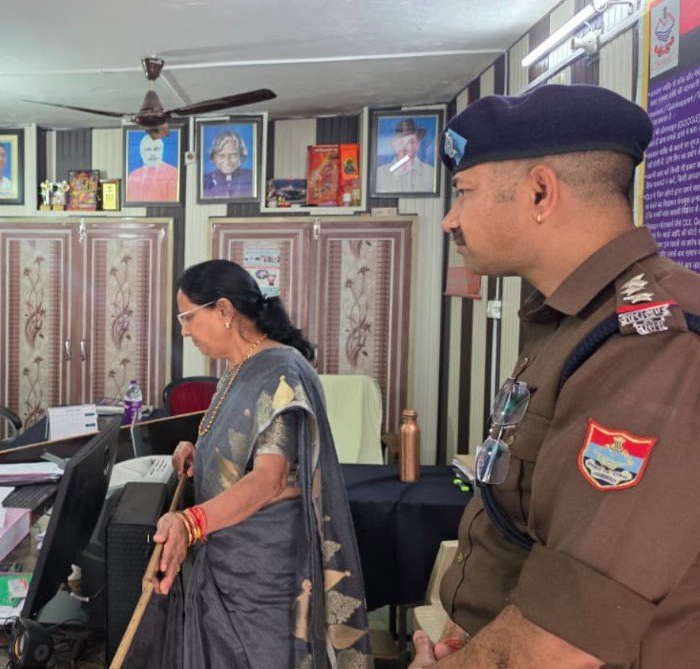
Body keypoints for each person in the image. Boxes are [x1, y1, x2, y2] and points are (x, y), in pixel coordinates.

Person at [409, 85, 700, 669]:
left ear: (540, 192)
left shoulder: (651, 341)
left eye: (464, 192)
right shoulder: (569, 321)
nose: (449, 220)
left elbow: (567, 635)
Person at [150, 260, 371, 668]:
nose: (184, 331)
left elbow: (270, 480)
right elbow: (247, 452)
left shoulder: (279, 372)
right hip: (232, 560)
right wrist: (203, 453)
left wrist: (190, 523)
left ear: (223, 310)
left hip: (260, 576)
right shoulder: (240, 368)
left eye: (187, 318)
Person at [375, 118, 436, 193]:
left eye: (411, 142)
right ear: (394, 144)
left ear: (417, 145)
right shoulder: (379, 174)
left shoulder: (431, 174)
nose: (405, 146)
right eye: (401, 141)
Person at [127, 133, 179, 202]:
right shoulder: (132, 176)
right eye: (148, 149)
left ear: (162, 151)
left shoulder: (173, 173)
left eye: (156, 149)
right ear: (142, 152)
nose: (152, 154)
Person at [202, 130, 253, 198]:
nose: (227, 161)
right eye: (221, 155)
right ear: (214, 158)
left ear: (241, 156)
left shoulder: (253, 178)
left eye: (233, 155)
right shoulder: (204, 181)